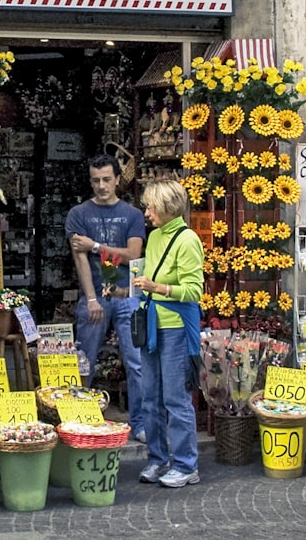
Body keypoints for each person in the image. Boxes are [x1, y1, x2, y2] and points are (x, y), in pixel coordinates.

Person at [65, 154, 146, 442]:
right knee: (85, 359)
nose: (101, 186)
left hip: (127, 296)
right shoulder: (79, 214)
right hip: (95, 296)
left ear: (117, 180)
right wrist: (90, 298)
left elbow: (133, 255)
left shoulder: (133, 215)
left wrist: (96, 245)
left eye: (107, 180)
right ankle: (81, 420)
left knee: (136, 362)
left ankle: (140, 424)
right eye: (96, 180)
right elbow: (80, 259)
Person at [131, 179, 205, 488]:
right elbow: (148, 273)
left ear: (165, 207)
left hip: (174, 327)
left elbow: (194, 289)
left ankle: (186, 464)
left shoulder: (188, 240)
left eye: (151, 206)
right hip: (152, 323)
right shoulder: (156, 236)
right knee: (150, 396)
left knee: (175, 398)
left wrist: (155, 287)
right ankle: (158, 459)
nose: (147, 212)